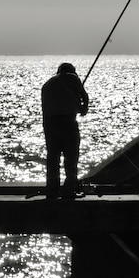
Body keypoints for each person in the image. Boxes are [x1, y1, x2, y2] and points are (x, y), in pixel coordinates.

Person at [41, 62, 89, 199]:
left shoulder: (47, 85)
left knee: (53, 158)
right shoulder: (73, 78)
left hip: (51, 124)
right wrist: (83, 108)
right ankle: (69, 189)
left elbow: (45, 111)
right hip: (68, 123)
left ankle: (52, 189)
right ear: (71, 71)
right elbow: (84, 96)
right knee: (71, 157)